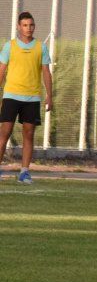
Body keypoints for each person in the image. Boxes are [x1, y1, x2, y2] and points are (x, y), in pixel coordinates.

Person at [0, 12, 53, 184]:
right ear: (18, 27)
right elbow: (1, 71)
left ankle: (24, 172)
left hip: (32, 98)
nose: (28, 28)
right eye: (24, 25)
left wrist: (49, 96)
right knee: (4, 133)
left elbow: (46, 72)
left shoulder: (41, 47)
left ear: (34, 27)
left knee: (28, 135)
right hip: (11, 96)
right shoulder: (10, 46)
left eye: (31, 25)